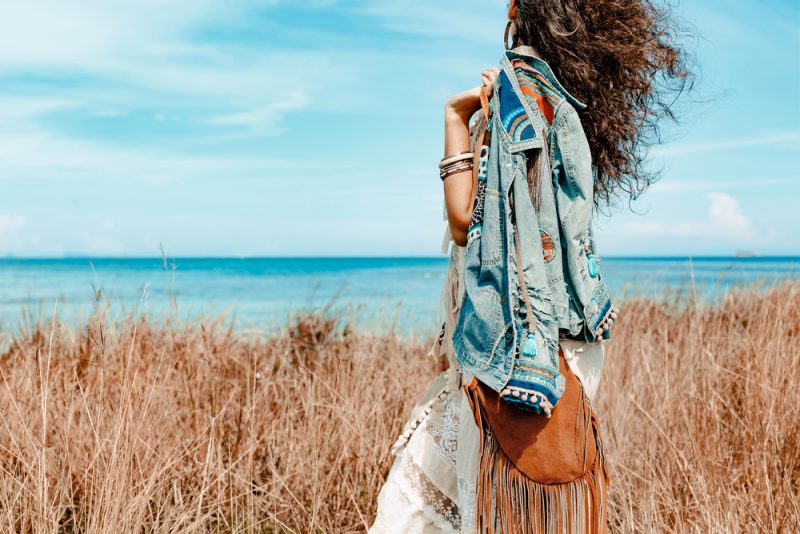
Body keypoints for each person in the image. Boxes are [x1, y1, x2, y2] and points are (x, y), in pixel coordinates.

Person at [371, 1, 689, 532]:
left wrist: (456, 114)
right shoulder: (568, 106)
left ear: (521, 12)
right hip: (572, 347)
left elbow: (463, 223)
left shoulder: (513, 96)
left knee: (424, 513)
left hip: (516, 350)